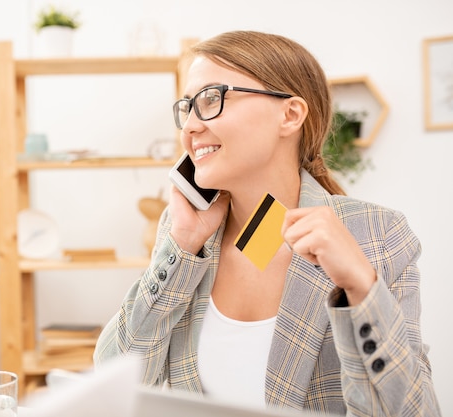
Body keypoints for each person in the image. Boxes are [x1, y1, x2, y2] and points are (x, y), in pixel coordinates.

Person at [93, 30, 441, 416]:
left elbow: (415, 412)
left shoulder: (377, 234)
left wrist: (361, 287)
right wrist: (181, 246)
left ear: (289, 115)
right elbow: (112, 385)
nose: (190, 126)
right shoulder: (187, 236)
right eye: (187, 106)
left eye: (212, 99)